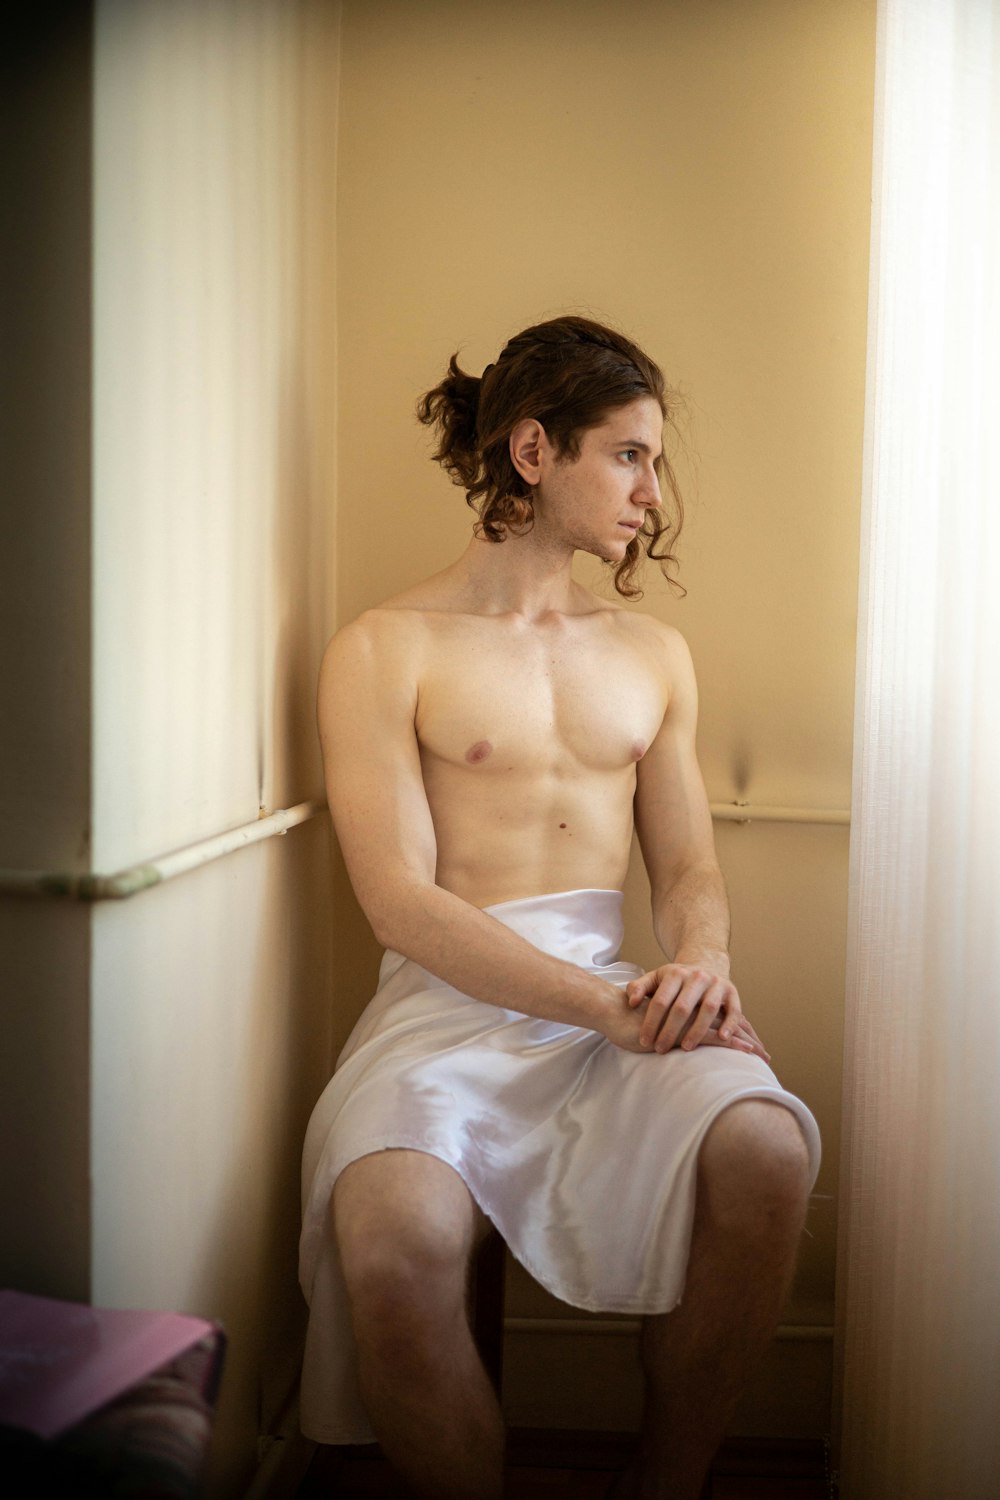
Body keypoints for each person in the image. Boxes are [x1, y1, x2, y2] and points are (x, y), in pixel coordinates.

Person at [299, 316, 820, 1500]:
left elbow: (685, 870)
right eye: (628, 456)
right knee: (387, 1232)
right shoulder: (385, 647)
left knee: (768, 1145)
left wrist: (699, 966)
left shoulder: (652, 653)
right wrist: (606, 1005)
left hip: (617, 1009)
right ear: (534, 451)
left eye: (654, 459)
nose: (653, 491)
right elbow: (398, 904)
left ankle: (664, 1485)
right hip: (443, 1015)